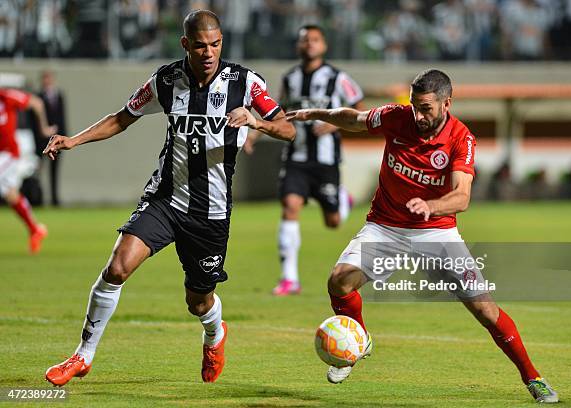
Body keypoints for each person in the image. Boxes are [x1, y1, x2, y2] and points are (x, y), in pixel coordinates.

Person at [43, 10, 295, 387]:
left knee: (198, 300)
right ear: (185, 45)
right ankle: (83, 355)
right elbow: (122, 117)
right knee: (117, 268)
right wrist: (73, 140)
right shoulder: (166, 79)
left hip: (210, 212)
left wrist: (256, 121)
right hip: (165, 198)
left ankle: (214, 334)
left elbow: (287, 129)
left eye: (215, 44)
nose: (209, 52)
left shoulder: (246, 82)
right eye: (200, 45)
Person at [286, 69, 559, 403]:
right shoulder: (396, 117)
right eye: (415, 105)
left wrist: (432, 205)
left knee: (486, 311)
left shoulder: (461, 139)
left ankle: (534, 378)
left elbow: (462, 197)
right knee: (339, 280)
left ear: (447, 103)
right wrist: (315, 113)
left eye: (426, 108)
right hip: (385, 226)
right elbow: (355, 119)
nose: (418, 114)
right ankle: (359, 341)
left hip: (436, 232)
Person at [246, 24, 365, 296]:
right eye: (304, 40)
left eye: (314, 40)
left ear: (323, 45)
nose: (309, 44)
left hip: (326, 160)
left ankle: (341, 200)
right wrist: (253, 135)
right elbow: (279, 111)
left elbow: (359, 109)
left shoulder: (338, 77)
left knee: (333, 221)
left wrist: (334, 125)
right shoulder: (291, 78)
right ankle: (290, 279)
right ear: (298, 46)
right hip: (295, 158)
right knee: (290, 206)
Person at [0, 86, 55, 253]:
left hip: (8, 154)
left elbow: (36, 103)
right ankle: (35, 229)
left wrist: (44, 128)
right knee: (11, 195)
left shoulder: (7, 96)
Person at [39, 70, 67, 206]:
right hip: (41, 141)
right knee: (38, 170)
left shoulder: (59, 96)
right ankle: (36, 198)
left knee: (54, 171)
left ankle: (54, 199)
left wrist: (64, 137)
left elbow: (63, 118)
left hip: (56, 141)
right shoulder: (38, 97)